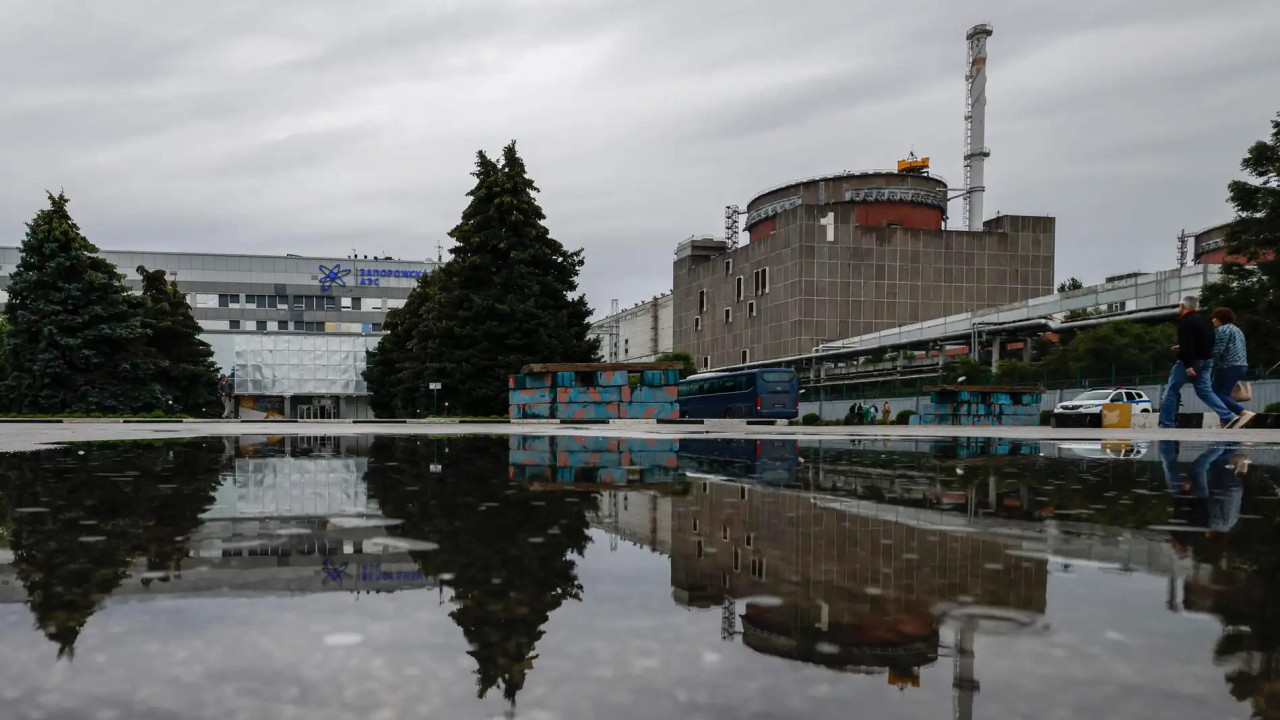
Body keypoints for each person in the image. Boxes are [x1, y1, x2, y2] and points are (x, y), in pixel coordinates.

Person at [1159, 296, 1238, 429]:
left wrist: (1188, 364)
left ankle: (1167, 423)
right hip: (1206, 361)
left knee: (1171, 390)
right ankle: (1227, 416)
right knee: (1205, 392)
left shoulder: (1185, 321)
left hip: (1189, 362)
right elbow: (1210, 341)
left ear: (1183, 306)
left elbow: (1188, 343)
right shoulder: (1206, 321)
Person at [1211, 307, 1255, 429]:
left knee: (1214, 394)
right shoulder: (1237, 330)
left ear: (1220, 319)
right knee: (1224, 393)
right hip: (1240, 365)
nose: (1213, 321)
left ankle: (1242, 413)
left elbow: (1218, 350)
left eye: (1214, 318)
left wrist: (1208, 364)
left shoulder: (1223, 330)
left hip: (1227, 366)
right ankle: (1225, 421)